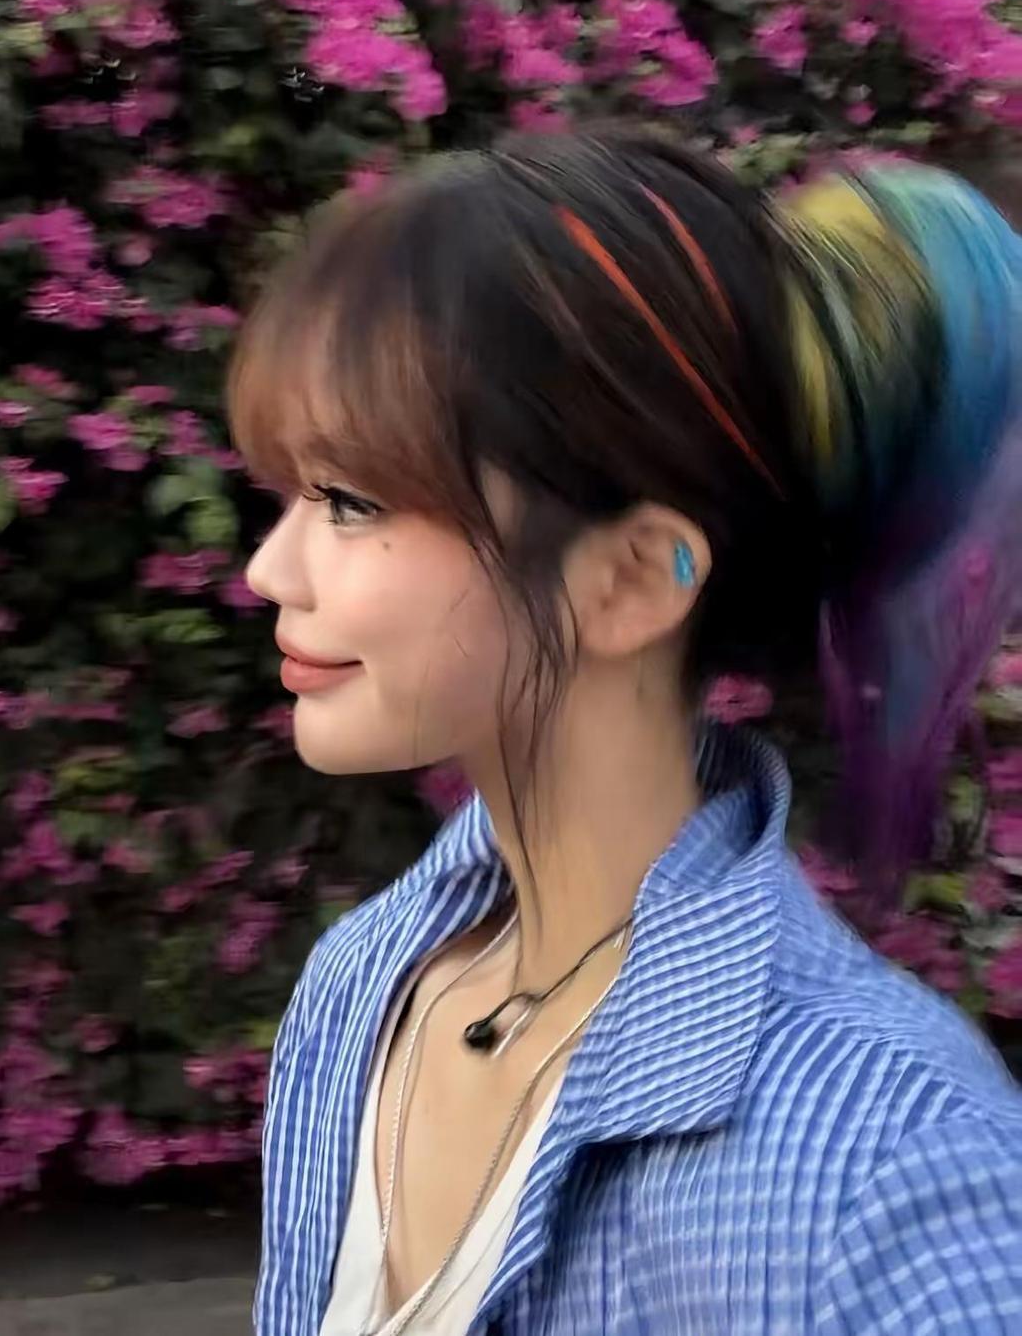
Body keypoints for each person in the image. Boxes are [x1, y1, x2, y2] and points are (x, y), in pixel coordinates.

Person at [228, 129, 1022, 1336]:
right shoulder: (359, 990)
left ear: (633, 577)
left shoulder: (898, 1173)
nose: (267, 568)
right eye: (288, 493)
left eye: (349, 500)